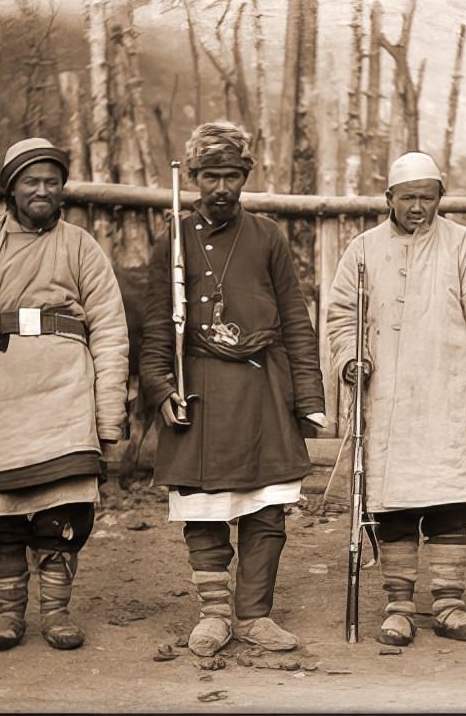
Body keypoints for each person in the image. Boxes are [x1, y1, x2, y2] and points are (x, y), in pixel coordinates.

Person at [0, 137, 130, 652]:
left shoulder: (80, 245)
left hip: (64, 392)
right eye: (30, 182)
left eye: (52, 182)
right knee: (1, 512)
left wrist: (108, 416)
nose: (42, 191)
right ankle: (8, 616)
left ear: (62, 188)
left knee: (65, 508)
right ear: (11, 188)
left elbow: (109, 327)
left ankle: (56, 612)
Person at [140, 121, 326, 657]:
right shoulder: (171, 241)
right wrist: (159, 389)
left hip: (262, 384)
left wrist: (307, 397)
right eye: (210, 176)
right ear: (193, 176)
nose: (221, 188)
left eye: (232, 176)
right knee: (205, 506)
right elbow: (157, 327)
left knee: (266, 509)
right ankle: (214, 614)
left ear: (246, 175)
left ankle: (254, 616)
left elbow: (294, 318)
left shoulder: (267, 236)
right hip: (198, 387)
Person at [325, 151, 466, 646]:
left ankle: (449, 604)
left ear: (439, 199)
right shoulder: (363, 250)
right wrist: (351, 357)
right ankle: (399, 606)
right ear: (389, 198)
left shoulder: (463, 245)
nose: (418, 208)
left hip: (448, 398)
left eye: (428, 199)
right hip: (386, 403)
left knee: (449, 504)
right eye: (408, 198)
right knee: (395, 508)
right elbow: (341, 316)